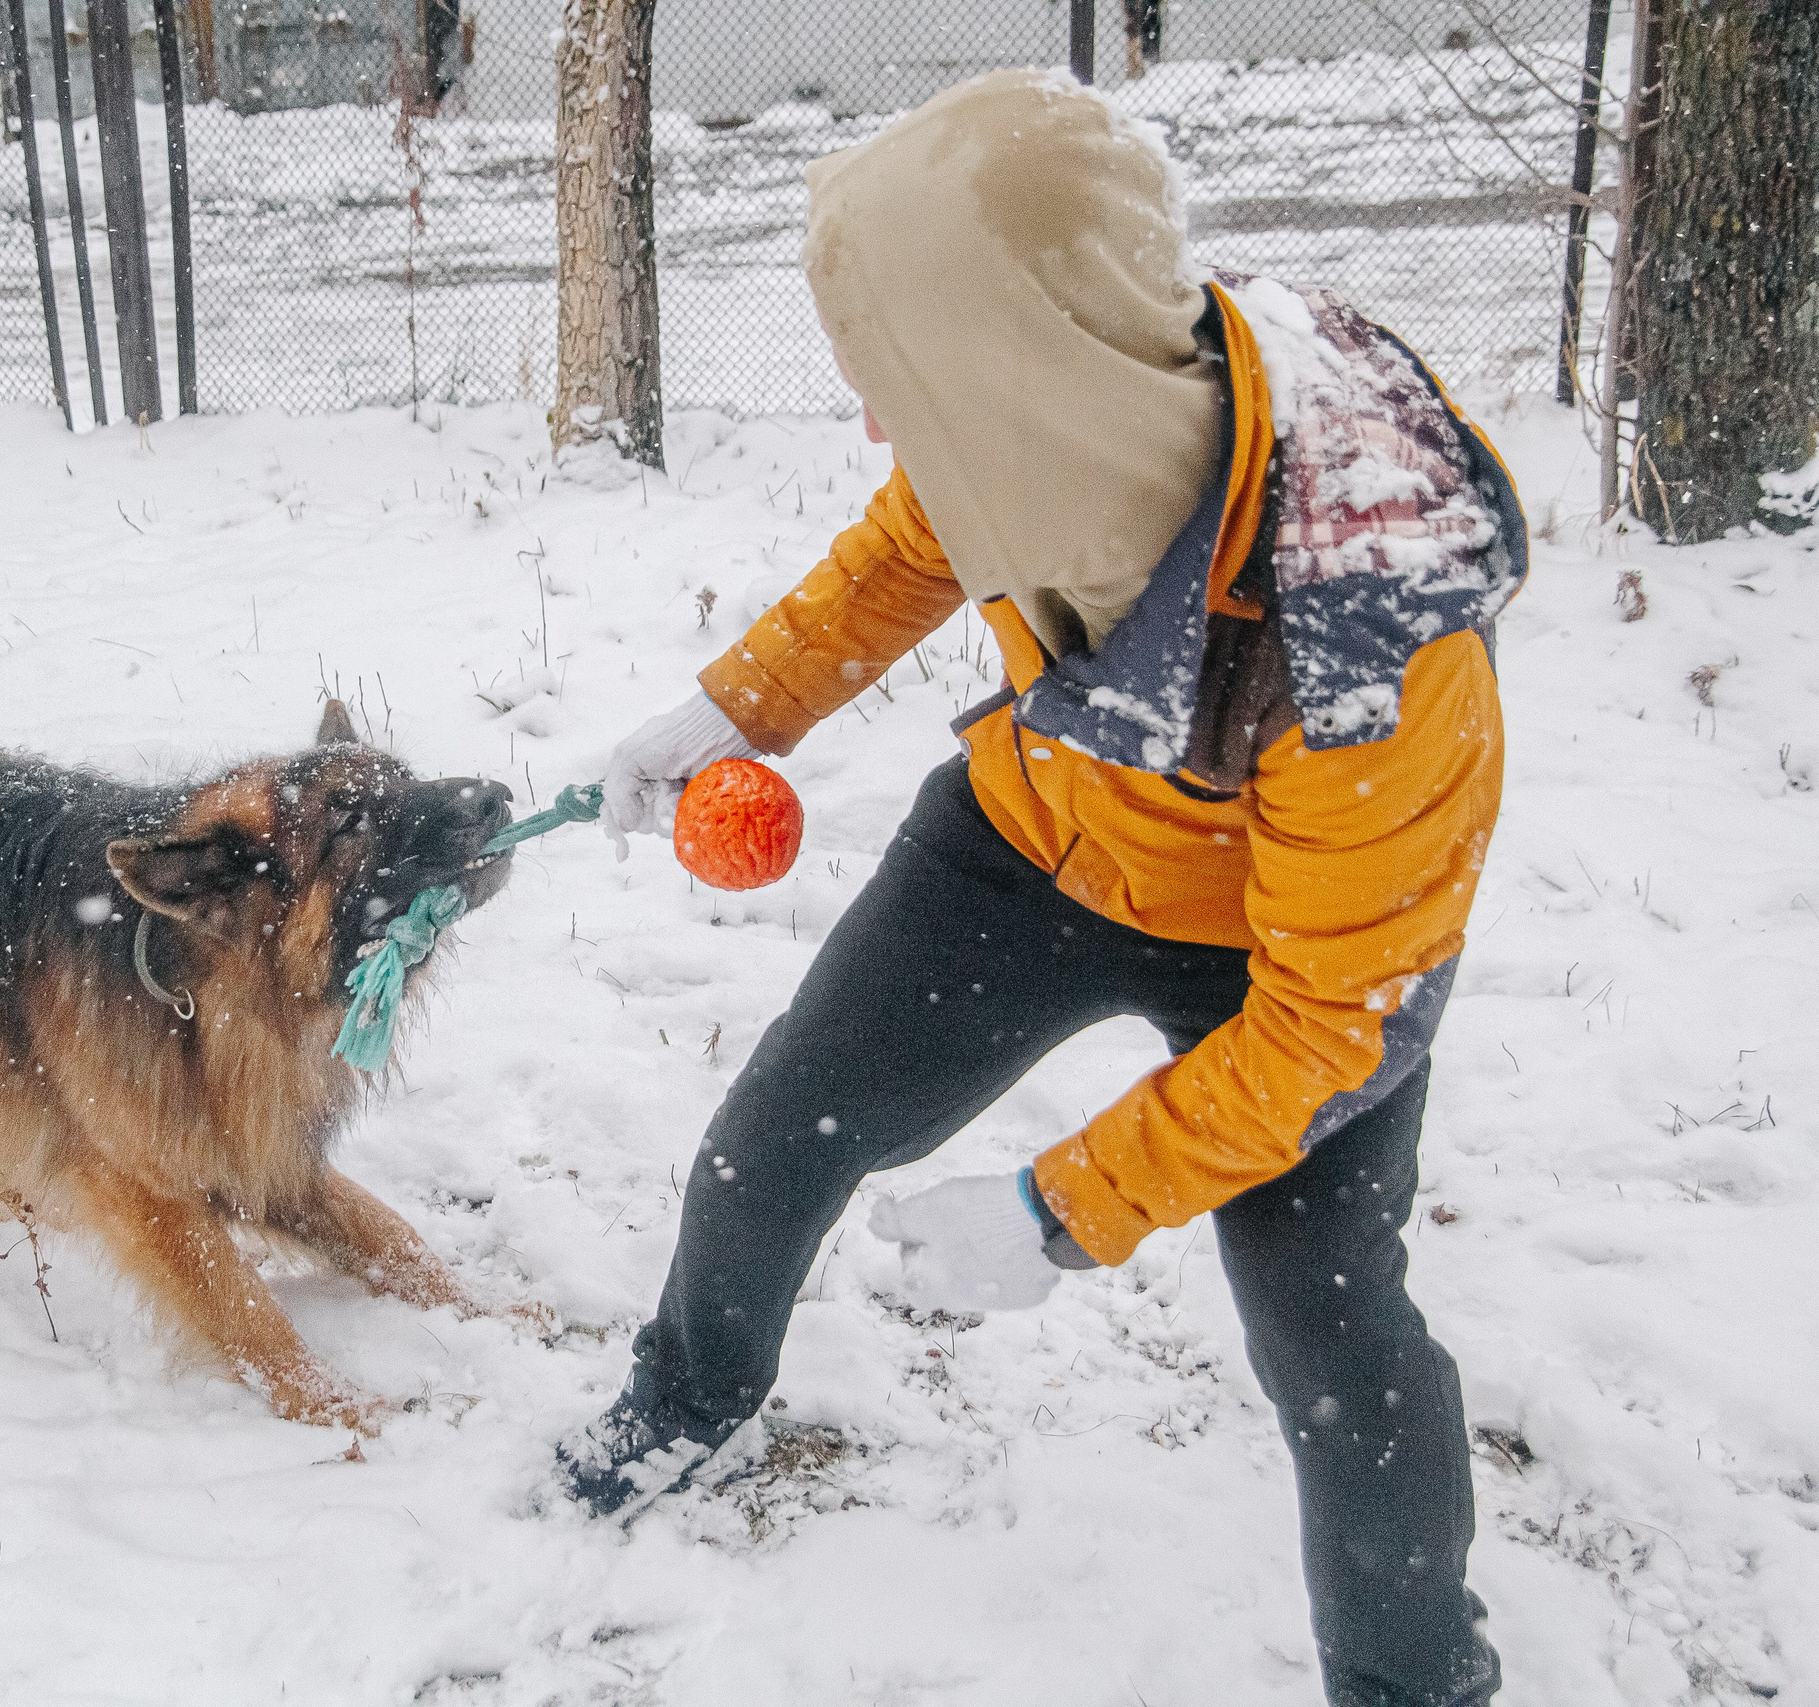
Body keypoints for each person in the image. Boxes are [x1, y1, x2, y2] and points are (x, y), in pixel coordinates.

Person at [557, 69, 1524, 1707]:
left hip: (1283, 961)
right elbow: (912, 538)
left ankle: (1416, 1682)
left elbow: (1329, 1025)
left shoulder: (1378, 631)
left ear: (1026, 368)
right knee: (773, 1140)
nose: (885, 428)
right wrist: (738, 708)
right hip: (1033, 844)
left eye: (905, 388)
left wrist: (1059, 1212)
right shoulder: (1050, 424)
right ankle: (688, 1399)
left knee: (1335, 1337)